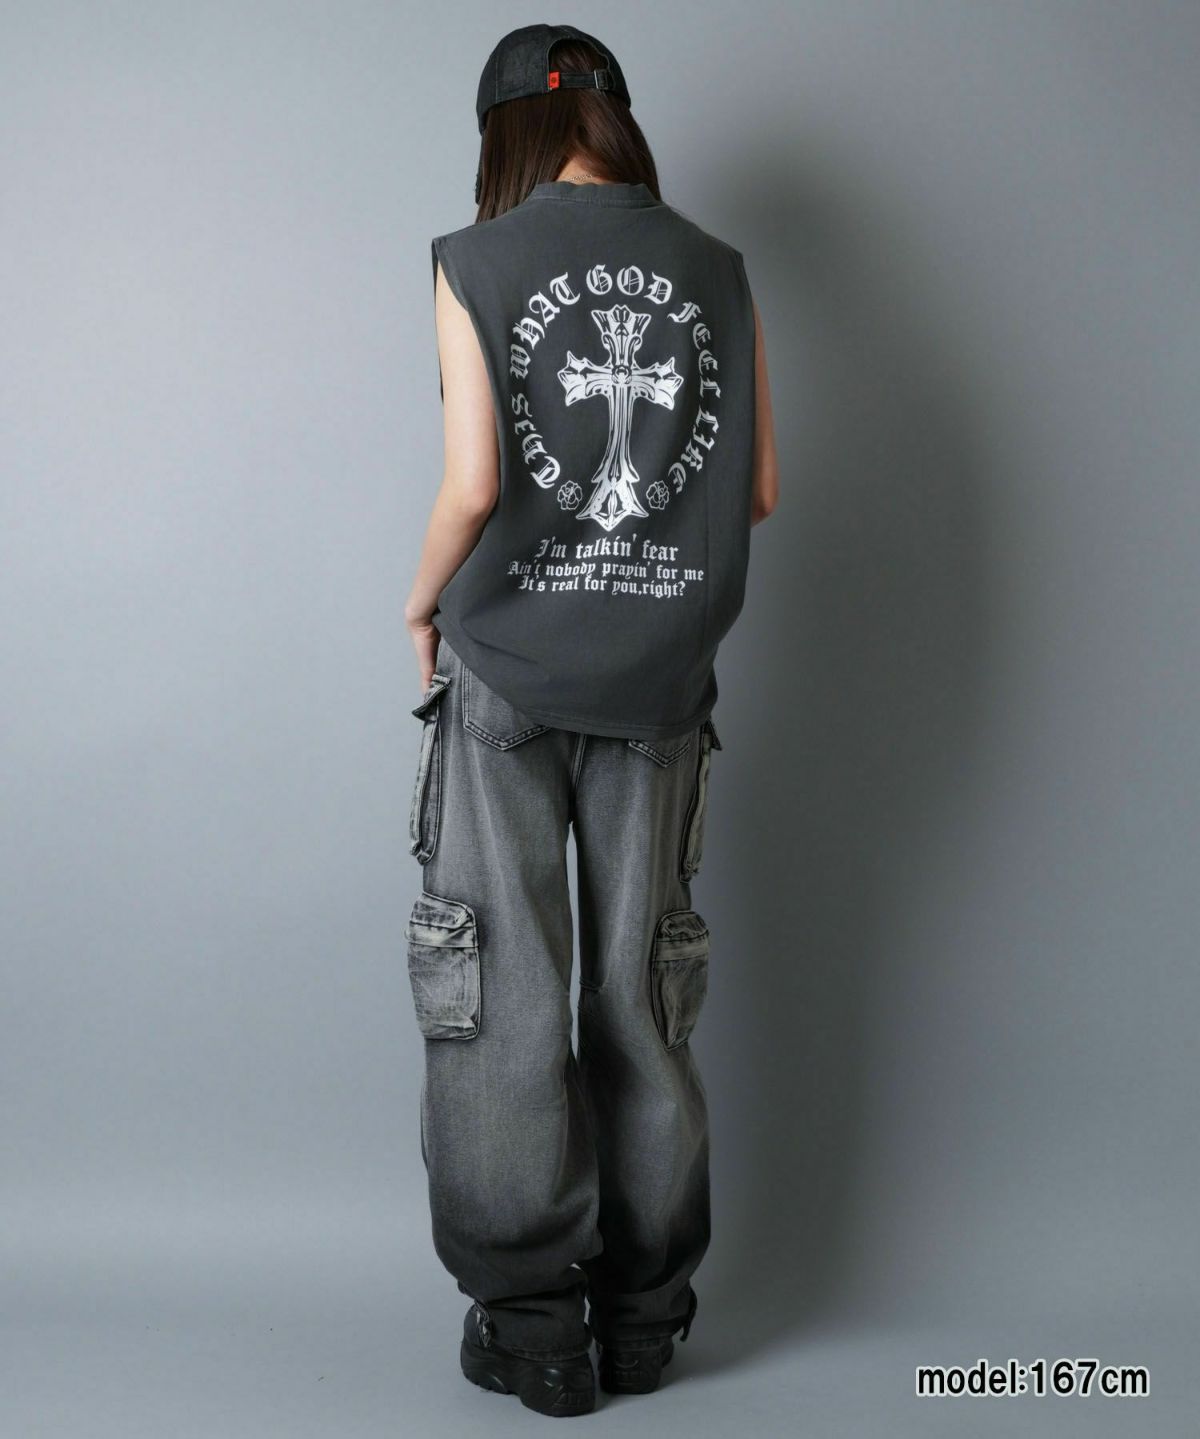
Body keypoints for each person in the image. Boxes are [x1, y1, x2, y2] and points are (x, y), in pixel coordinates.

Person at [402, 22, 779, 1417]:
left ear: (504, 133)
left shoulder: (473, 260)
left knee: (499, 988)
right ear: (615, 119)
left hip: (509, 671)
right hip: (661, 681)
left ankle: (533, 1327)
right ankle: (642, 1317)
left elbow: (474, 484)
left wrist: (419, 603)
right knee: (642, 994)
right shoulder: (719, 271)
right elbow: (758, 491)